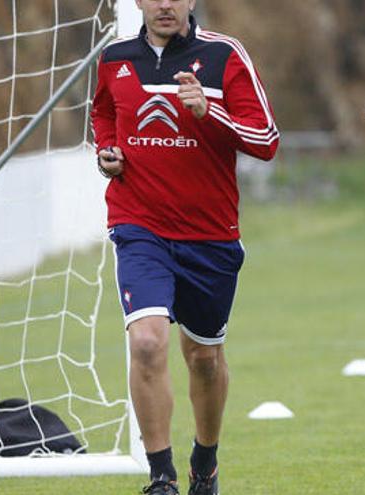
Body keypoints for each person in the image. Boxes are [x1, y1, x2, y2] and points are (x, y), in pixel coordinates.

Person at [91, 0, 278, 493]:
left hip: (210, 236)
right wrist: (106, 152)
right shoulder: (114, 58)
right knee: (148, 341)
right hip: (139, 226)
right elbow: (104, 113)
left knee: (204, 357)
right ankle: (161, 478)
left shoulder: (224, 56)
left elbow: (266, 138)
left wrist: (208, 111)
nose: (166, 4)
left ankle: (205, 460)